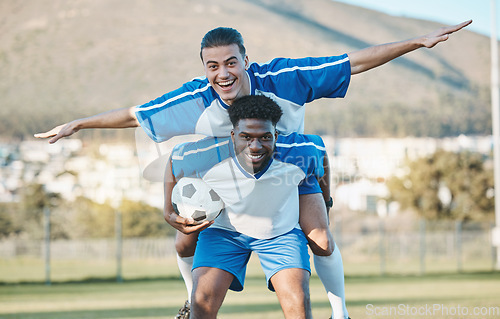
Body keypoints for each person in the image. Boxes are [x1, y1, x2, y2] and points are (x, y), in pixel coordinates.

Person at [35, 20, 472, 319]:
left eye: (230, 62)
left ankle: (340, 310)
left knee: (320, 239)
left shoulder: (284, 78)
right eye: (212, 65)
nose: (222, 73)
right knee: (183, 241)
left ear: (246, 59)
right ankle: (191, 298)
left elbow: (353, 61)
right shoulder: (193, 98)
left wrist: (417, 42)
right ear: (204, 68)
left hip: (288, 172)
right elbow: (135, 115)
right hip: (228, 186)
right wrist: (78, 124)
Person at [165, 95, 328, 319]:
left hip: (280, 232)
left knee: (298, 301)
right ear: (233, 136)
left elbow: (322, 161)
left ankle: (341, 312)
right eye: (246, 137)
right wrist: (168, 211)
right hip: (224, 232)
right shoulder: (207, 156)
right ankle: (190, 297)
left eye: (265, 137)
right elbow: (173, 161)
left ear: (276, 136)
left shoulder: (301, 152)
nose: (255, 145)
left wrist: (326, 201)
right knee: (201, 301)